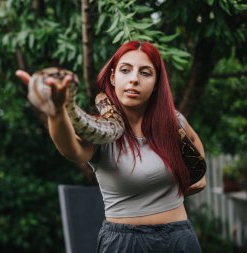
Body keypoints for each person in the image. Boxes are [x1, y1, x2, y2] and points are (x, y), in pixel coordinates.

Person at [16, 41, 206, 253]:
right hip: (125, 243)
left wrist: (200, 173)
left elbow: (194, 140)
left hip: (179, 240)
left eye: (145, 73)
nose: (134, 79)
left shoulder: (173, 122)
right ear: (114, 77)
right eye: (126, 70)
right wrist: (56, 112)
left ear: (156, 84)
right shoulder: (103, 132)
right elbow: (71, 149)